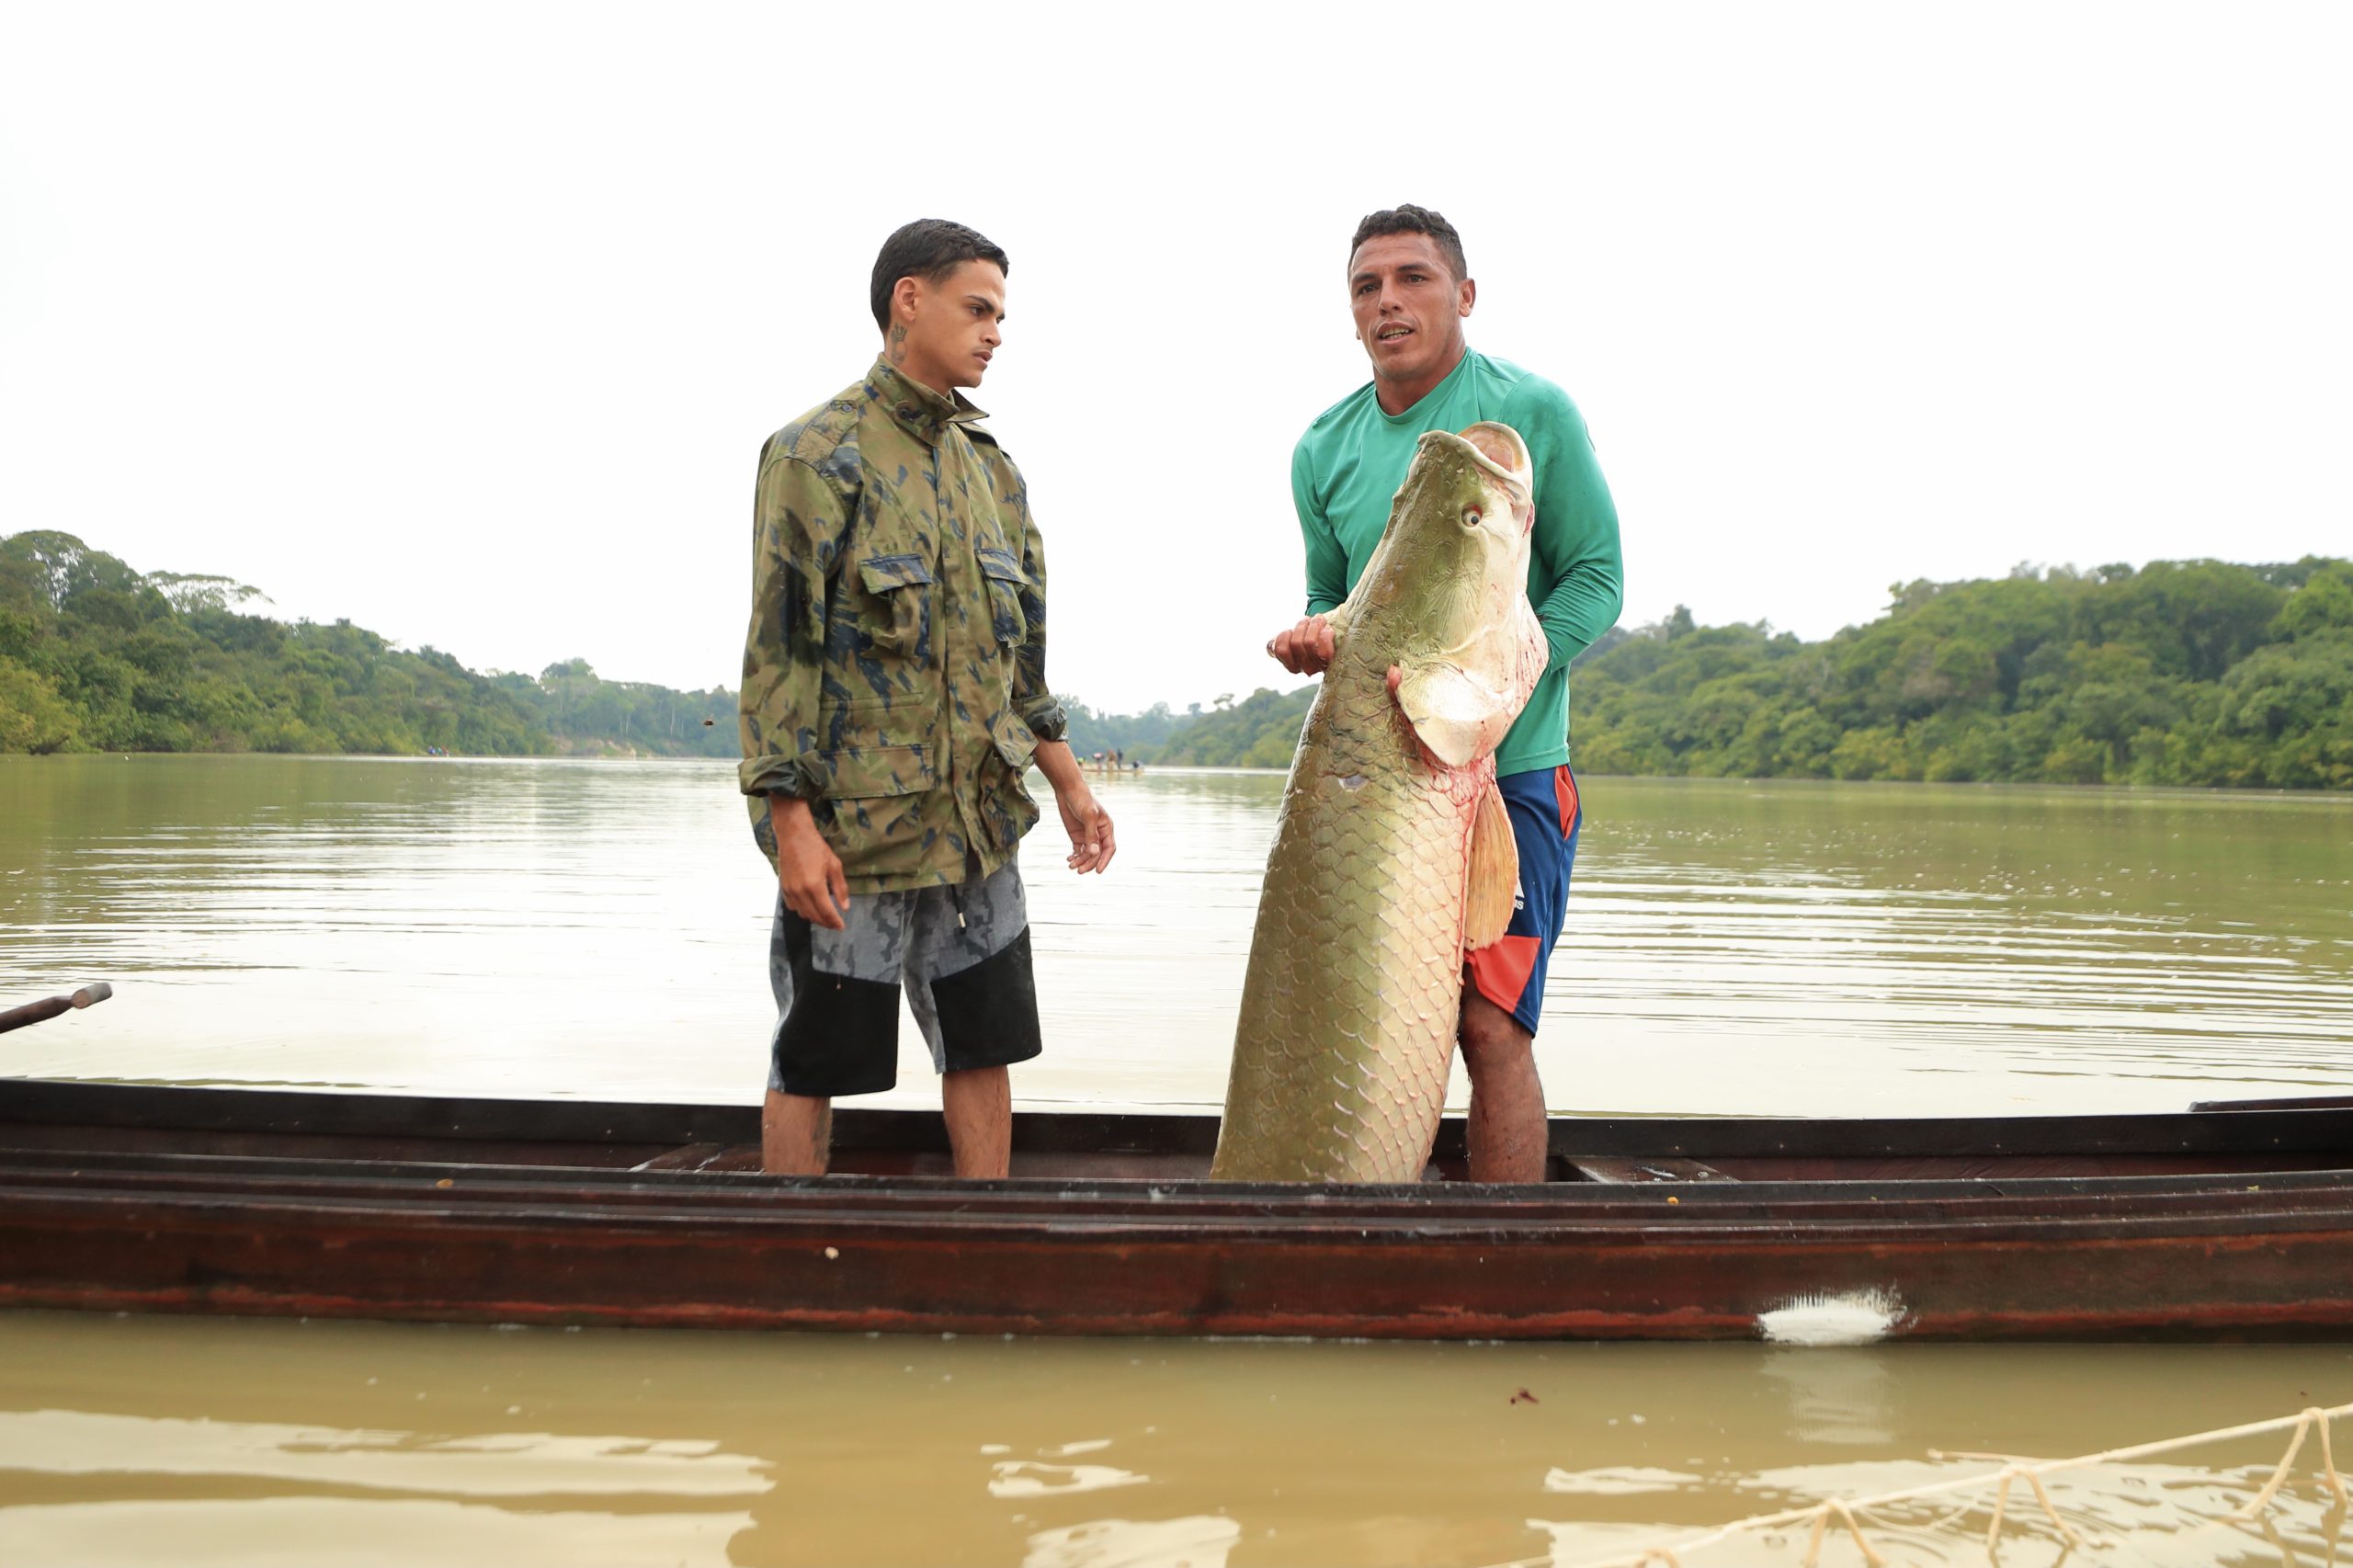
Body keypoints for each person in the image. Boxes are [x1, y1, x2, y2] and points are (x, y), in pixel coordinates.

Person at [739, 218, 1115, 1179]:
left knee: (985, 1045)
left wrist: (1069, 782)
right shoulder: (814, 455)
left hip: (976, 827)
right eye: (978, 308)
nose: (995, 331)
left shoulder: (993, 470)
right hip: (853, 833)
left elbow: (1020, 656)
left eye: (1001, 314)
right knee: (817, 1055)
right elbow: (782, 653)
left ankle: (985, 1238)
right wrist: (793, 825)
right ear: (911, 299)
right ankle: (792, 1252)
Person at [1267, 204, 1622, 1182]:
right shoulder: (1320, 449)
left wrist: (1495, 676)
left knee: (1489, 1021)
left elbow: (1594, 575)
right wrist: (1314, 631)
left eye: (1413, 279)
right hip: (1373, 790)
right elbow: (1330, 596)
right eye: (1366, 286)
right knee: (1370, 1010)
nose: (1389, 301)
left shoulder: (1530, 411)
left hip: (1508, 770)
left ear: (1462, 294)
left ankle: (1510, 1249)